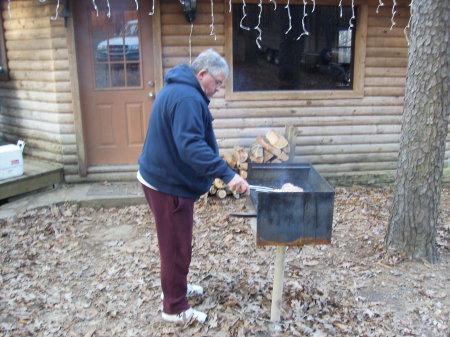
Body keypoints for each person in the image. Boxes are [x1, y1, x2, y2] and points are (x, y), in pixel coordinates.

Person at [137, 49, 250, 324]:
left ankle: (178, 288)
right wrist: (228, 174)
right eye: (218, 83)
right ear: (202, 74)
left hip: (165, 178)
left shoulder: (182, 89)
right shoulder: (187, 97)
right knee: (175, 247)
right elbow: (191, 147)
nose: (219, 89)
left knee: (179, 243)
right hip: (167, 185)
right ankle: (174, 308)